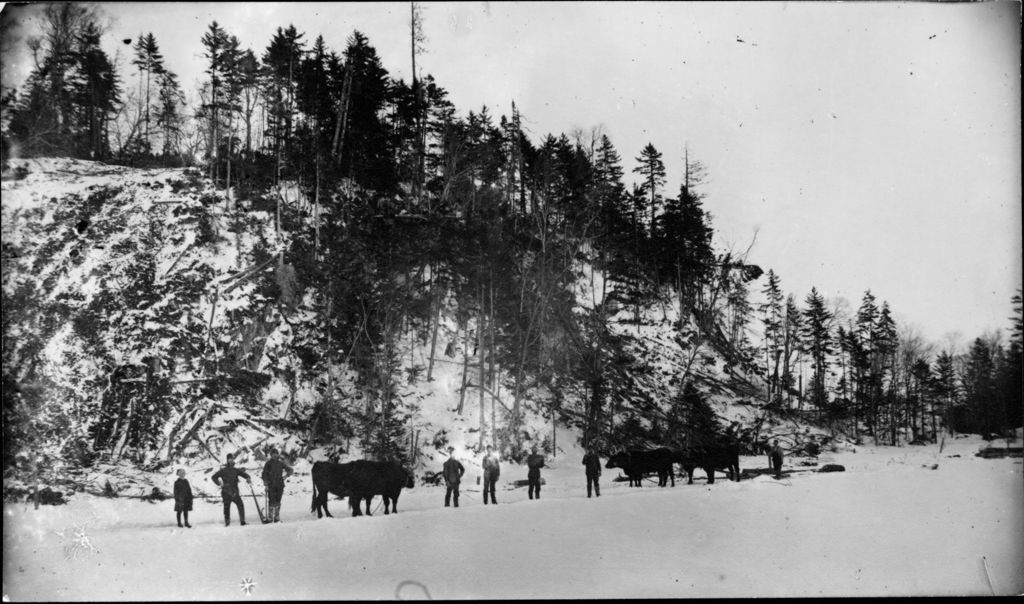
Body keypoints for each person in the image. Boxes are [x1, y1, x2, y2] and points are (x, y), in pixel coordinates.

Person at [212, 453, 251, 526]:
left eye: (233, 459)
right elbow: (213, 477)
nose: (232, 460)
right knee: (226, 507)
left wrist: (248, 478)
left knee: (240, 505)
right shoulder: (223, 470)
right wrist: (219, 483)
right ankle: (227, 523)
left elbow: (245, 475)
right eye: (230, 459)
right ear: (227, 460)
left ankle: (242, 521)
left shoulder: (235, 470)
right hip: (226, 492)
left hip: (235, 492)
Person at [261, 448, 294, 523]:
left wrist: (286, 476)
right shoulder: (268, 464)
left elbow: (291, 470)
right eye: (273, 454)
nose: (275, 455)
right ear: (271, 455)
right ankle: (270, 517)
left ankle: (276, 517)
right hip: (271, 485)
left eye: (276, 454)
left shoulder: (281, 463)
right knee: (272, 500)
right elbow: (264, 475)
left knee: (278, 501)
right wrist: (266, 484)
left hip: (280, 485)